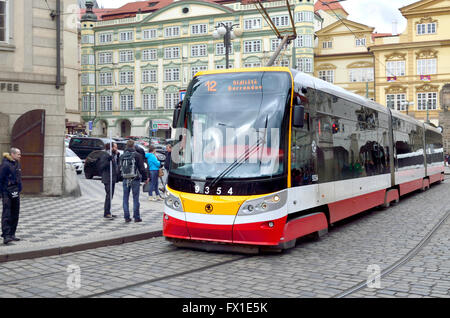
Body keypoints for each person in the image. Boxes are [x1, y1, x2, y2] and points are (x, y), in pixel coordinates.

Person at [120, 140, 148, 223]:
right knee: (135, 198)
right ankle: (136, 217)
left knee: (125, 198)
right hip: (135, 179)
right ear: (133, 146)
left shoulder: (122, 155)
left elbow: (120, 167)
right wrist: (145, 178)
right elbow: (142, 168)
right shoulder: (137, 155)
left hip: (125, 178)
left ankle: (126, 217)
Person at [0, 148, 22, 245]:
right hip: (6, 192)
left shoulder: (16, 163)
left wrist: (19, 187)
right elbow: (0, 179)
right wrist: (2, 193)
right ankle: (6, 235)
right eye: (18, 154)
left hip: (15, 191)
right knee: (7, 213)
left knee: (15, 212)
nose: (20, 156)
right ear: (12, 154)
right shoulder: (5, 165)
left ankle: (12, 233)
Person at [98, 142, 119, 220]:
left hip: (112, 178)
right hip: (107, 178)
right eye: (115, 147)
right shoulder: (105, 155)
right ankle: (106, 213)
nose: (116, 149)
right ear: (111, 148)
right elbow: (102, 166)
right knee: (109, 195)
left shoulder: (113, 155)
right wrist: (108, 161)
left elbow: (116, 165)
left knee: (111, 196)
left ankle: (109, 211)